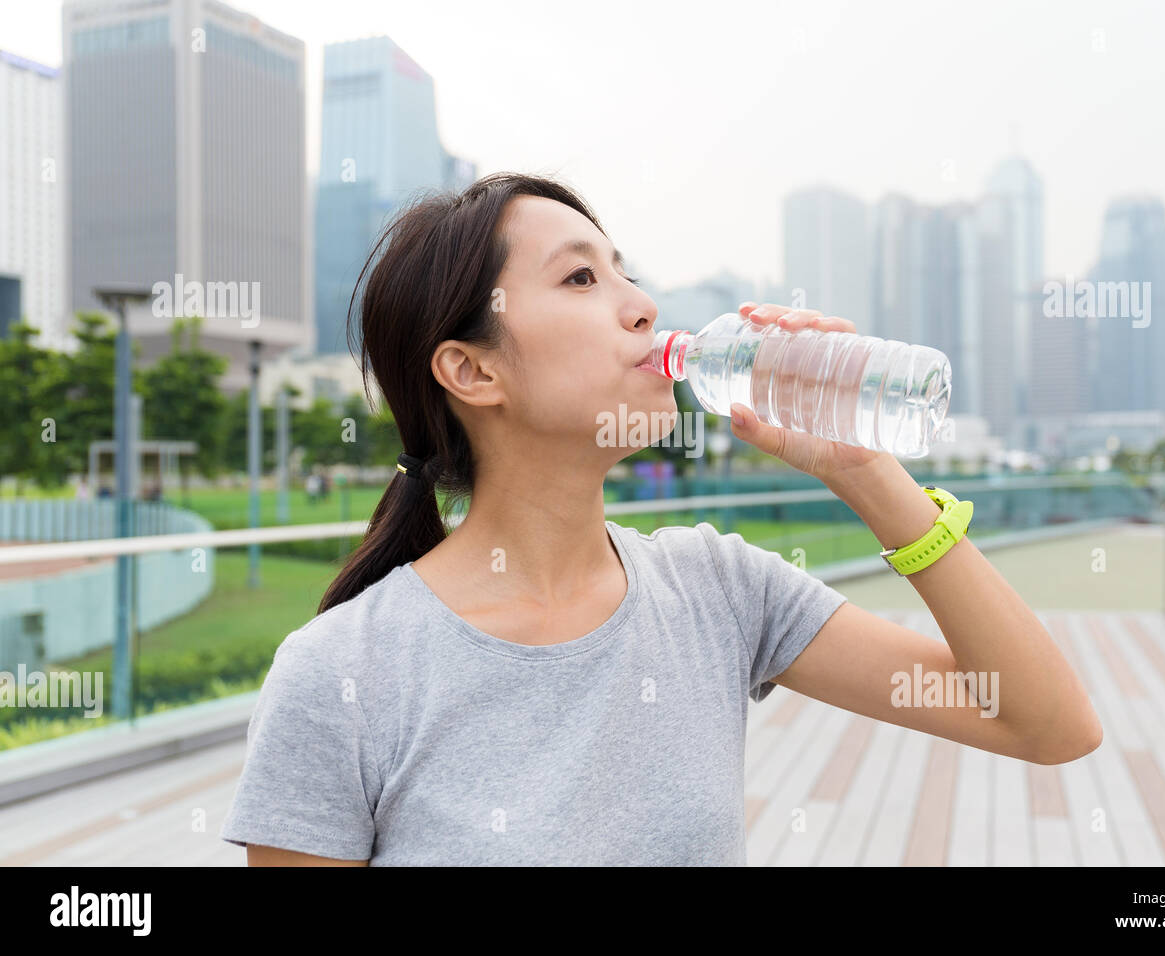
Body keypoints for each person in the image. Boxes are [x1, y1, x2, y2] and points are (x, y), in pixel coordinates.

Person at [218, 172, 1102, 867]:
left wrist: (866, 470)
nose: (641, 305)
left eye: (624, 272)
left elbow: (1043, 722)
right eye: (579, 276)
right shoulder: (342, 675)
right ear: (472, 372)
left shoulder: (717, 587)